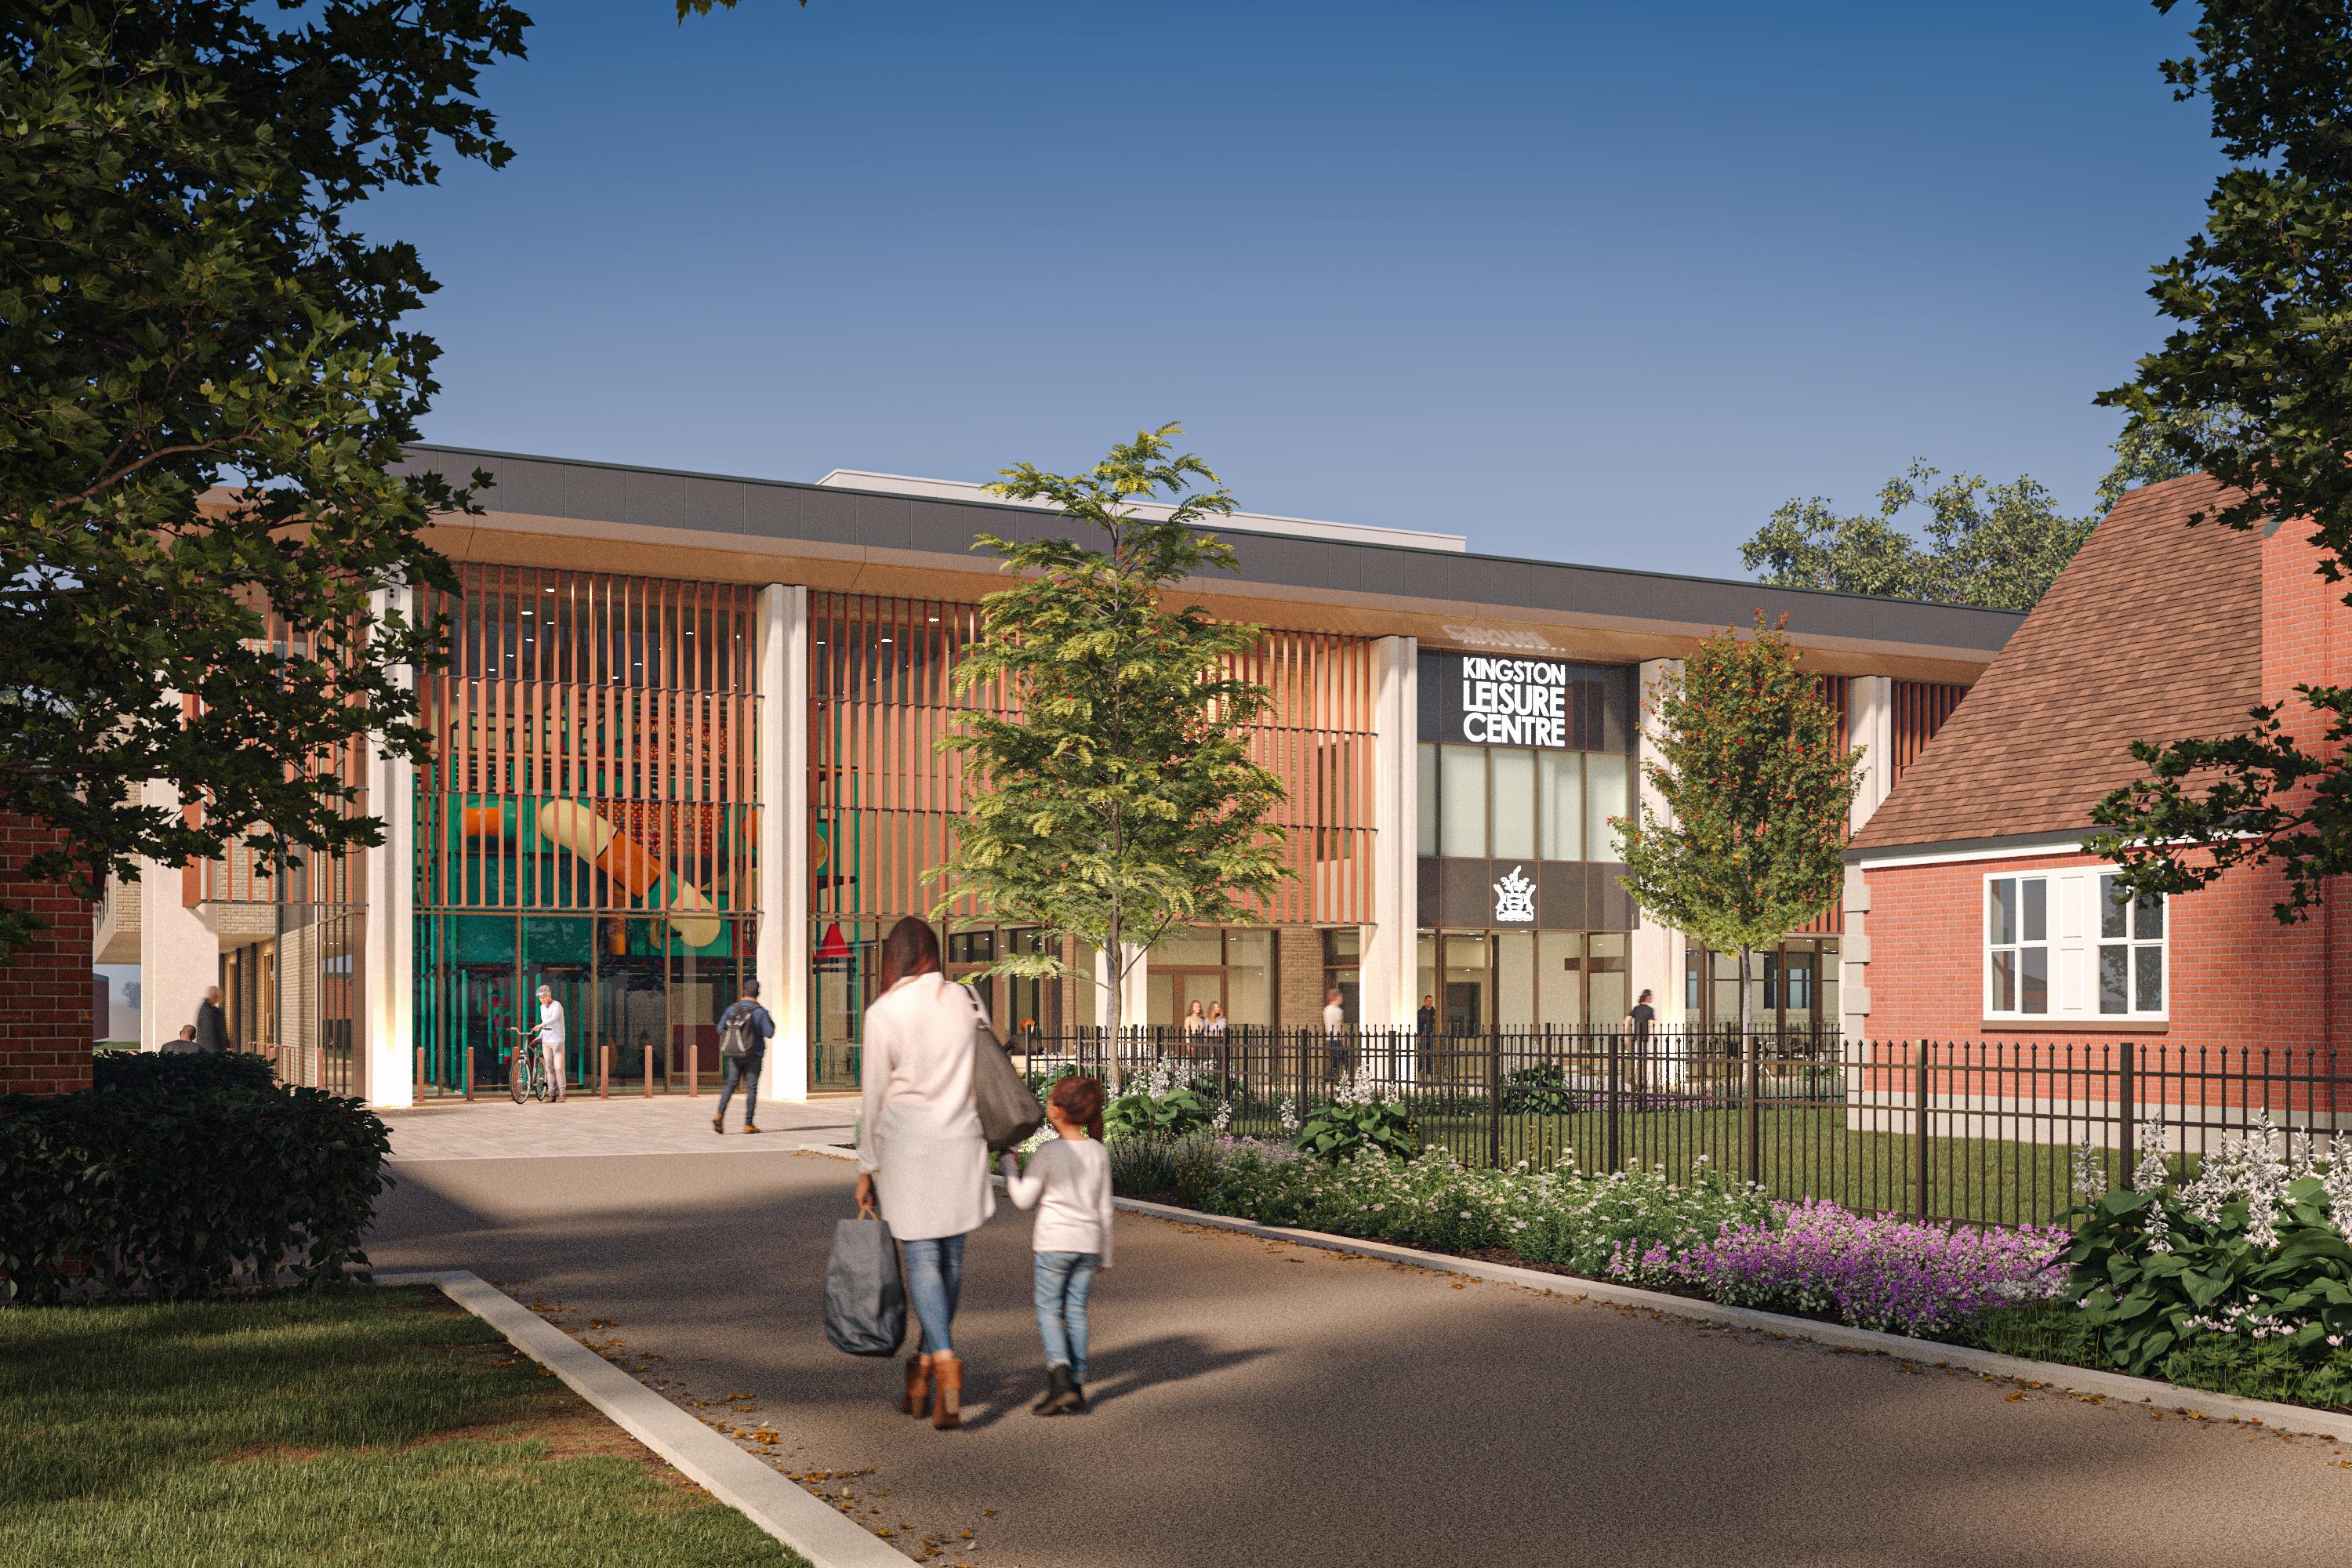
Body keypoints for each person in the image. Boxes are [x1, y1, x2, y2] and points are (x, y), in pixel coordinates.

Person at [855, 916, 993, 1430]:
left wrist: (866, 1166)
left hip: (909, 1148)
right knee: (950, 1256)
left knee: (921, 1258)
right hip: (962, 1141)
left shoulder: (883, 1012)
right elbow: (987, 1071)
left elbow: (873, 1098)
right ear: (933, 952)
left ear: (893, 957)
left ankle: (945, 1362)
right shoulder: (966, 1000)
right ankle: (929, 1362)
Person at [1000, 1075, 1112, 1417]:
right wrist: (1105, 1252)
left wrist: (1008, 1164)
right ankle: (1077, 1384)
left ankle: (1059, 1380)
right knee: (1076, 1311)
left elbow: (1022, 1199)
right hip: (1089, 1243)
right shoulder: (1097, 1151)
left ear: (1060, 1111)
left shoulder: (1049, 1152)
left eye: (1050, 1101)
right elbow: (1106, 1206)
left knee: (1049, 1310)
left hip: (1054, 1243)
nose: (1046, 1105)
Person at [713, 978, 775, 1134]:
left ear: (744, 991)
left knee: (731, 1084)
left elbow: (720, 1029)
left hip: (734, 1055)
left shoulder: (732, 1009)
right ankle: (748, 1124)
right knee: (752, 1088)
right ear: (758, 994)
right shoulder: (760, 1012)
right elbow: (769, 1033)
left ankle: (720, 1114)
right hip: (754, 1055)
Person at [524, 982, 567, 1102]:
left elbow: (552, 1020)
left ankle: (562, 1093)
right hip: (547, 1042)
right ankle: (552, 1094)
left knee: (559, 1068)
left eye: (544, 997)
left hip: (558, 1041)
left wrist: (541, 1025)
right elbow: (545, 1024)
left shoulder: (557, 1005)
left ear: (550, 995)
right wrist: (540, 1036)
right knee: (549, 1068)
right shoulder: (542, 1008)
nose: (542, 1000)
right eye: (540, 997)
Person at [1624, 988, 1658, 1092]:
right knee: (1643, 1058)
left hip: (1635, 1037)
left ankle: (1635, 1079)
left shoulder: (1636, 1008)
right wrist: (1650, 1021)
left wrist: (1626, 1035)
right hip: (1644, 1037)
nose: (1652, 998)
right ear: (1648, 997)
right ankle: (1639, 1080)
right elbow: (1651, 1024)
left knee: (1637, 1057)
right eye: (1651, 996)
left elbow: (1626, 1020)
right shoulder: (1650, 1010)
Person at [194, 985, 230, 1054]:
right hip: (212, 1050)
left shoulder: (210, 1009)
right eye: (219, 997)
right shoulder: (207, 1011)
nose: (220, 999)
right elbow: (208, 1033)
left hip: (215, 1049)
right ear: (214, 996)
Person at [1415, 993, 1437, 1076]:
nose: (1430, 1002)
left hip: (1432, 1036)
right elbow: (1417, 1024)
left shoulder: (1435, 1013)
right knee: (1420, 1055)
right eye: (1428, 1001)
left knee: (1430, 1055)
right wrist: (1418, 1035)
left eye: (1431, 1001)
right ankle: (1417, 1071)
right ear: (1425, 1001)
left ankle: (1429, 1072)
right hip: (1422, 1036)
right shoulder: (1420, 1012)